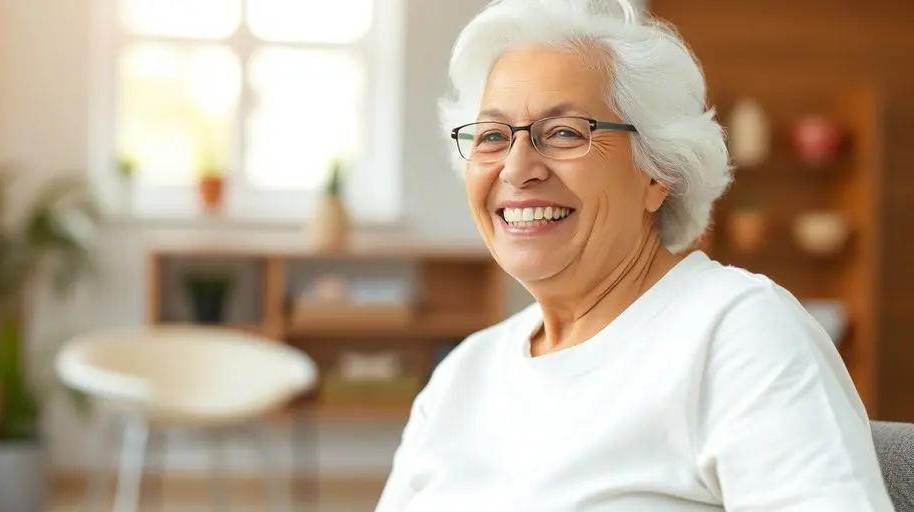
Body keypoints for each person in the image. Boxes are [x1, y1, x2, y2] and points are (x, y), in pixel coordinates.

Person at [375, 0, 895, 510]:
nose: (516, 169)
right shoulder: (462, 374)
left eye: (563, 133)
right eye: (491, 136)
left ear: (658, 171)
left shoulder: (738, 331)